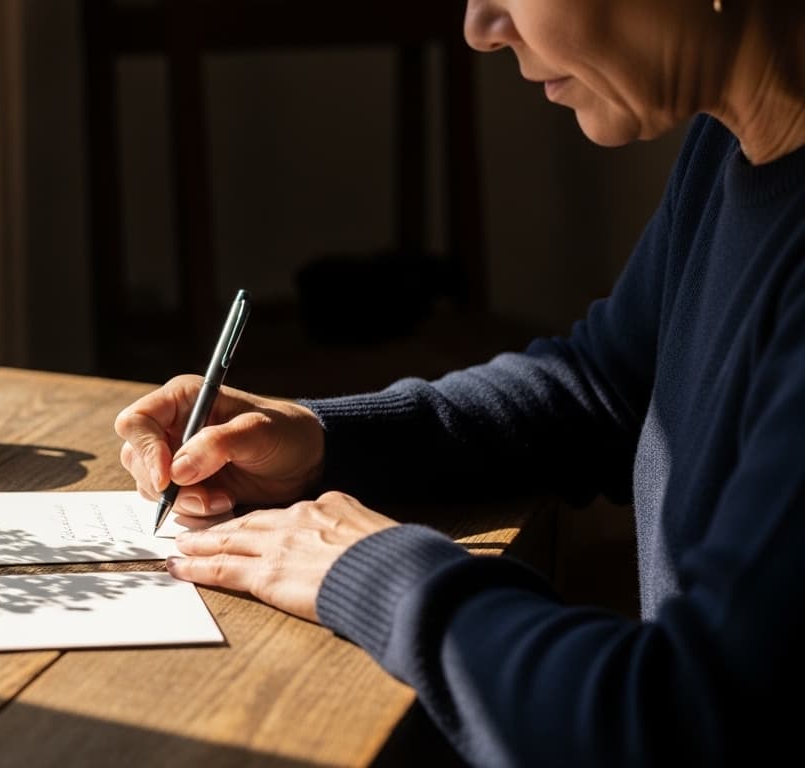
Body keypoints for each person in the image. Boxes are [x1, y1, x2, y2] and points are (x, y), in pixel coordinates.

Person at [113, 1, 805, 765]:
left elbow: (681, 720)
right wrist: (321, 440)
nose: (480, 27)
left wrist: (376, 573)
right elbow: (605, 385)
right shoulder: (728, 143)